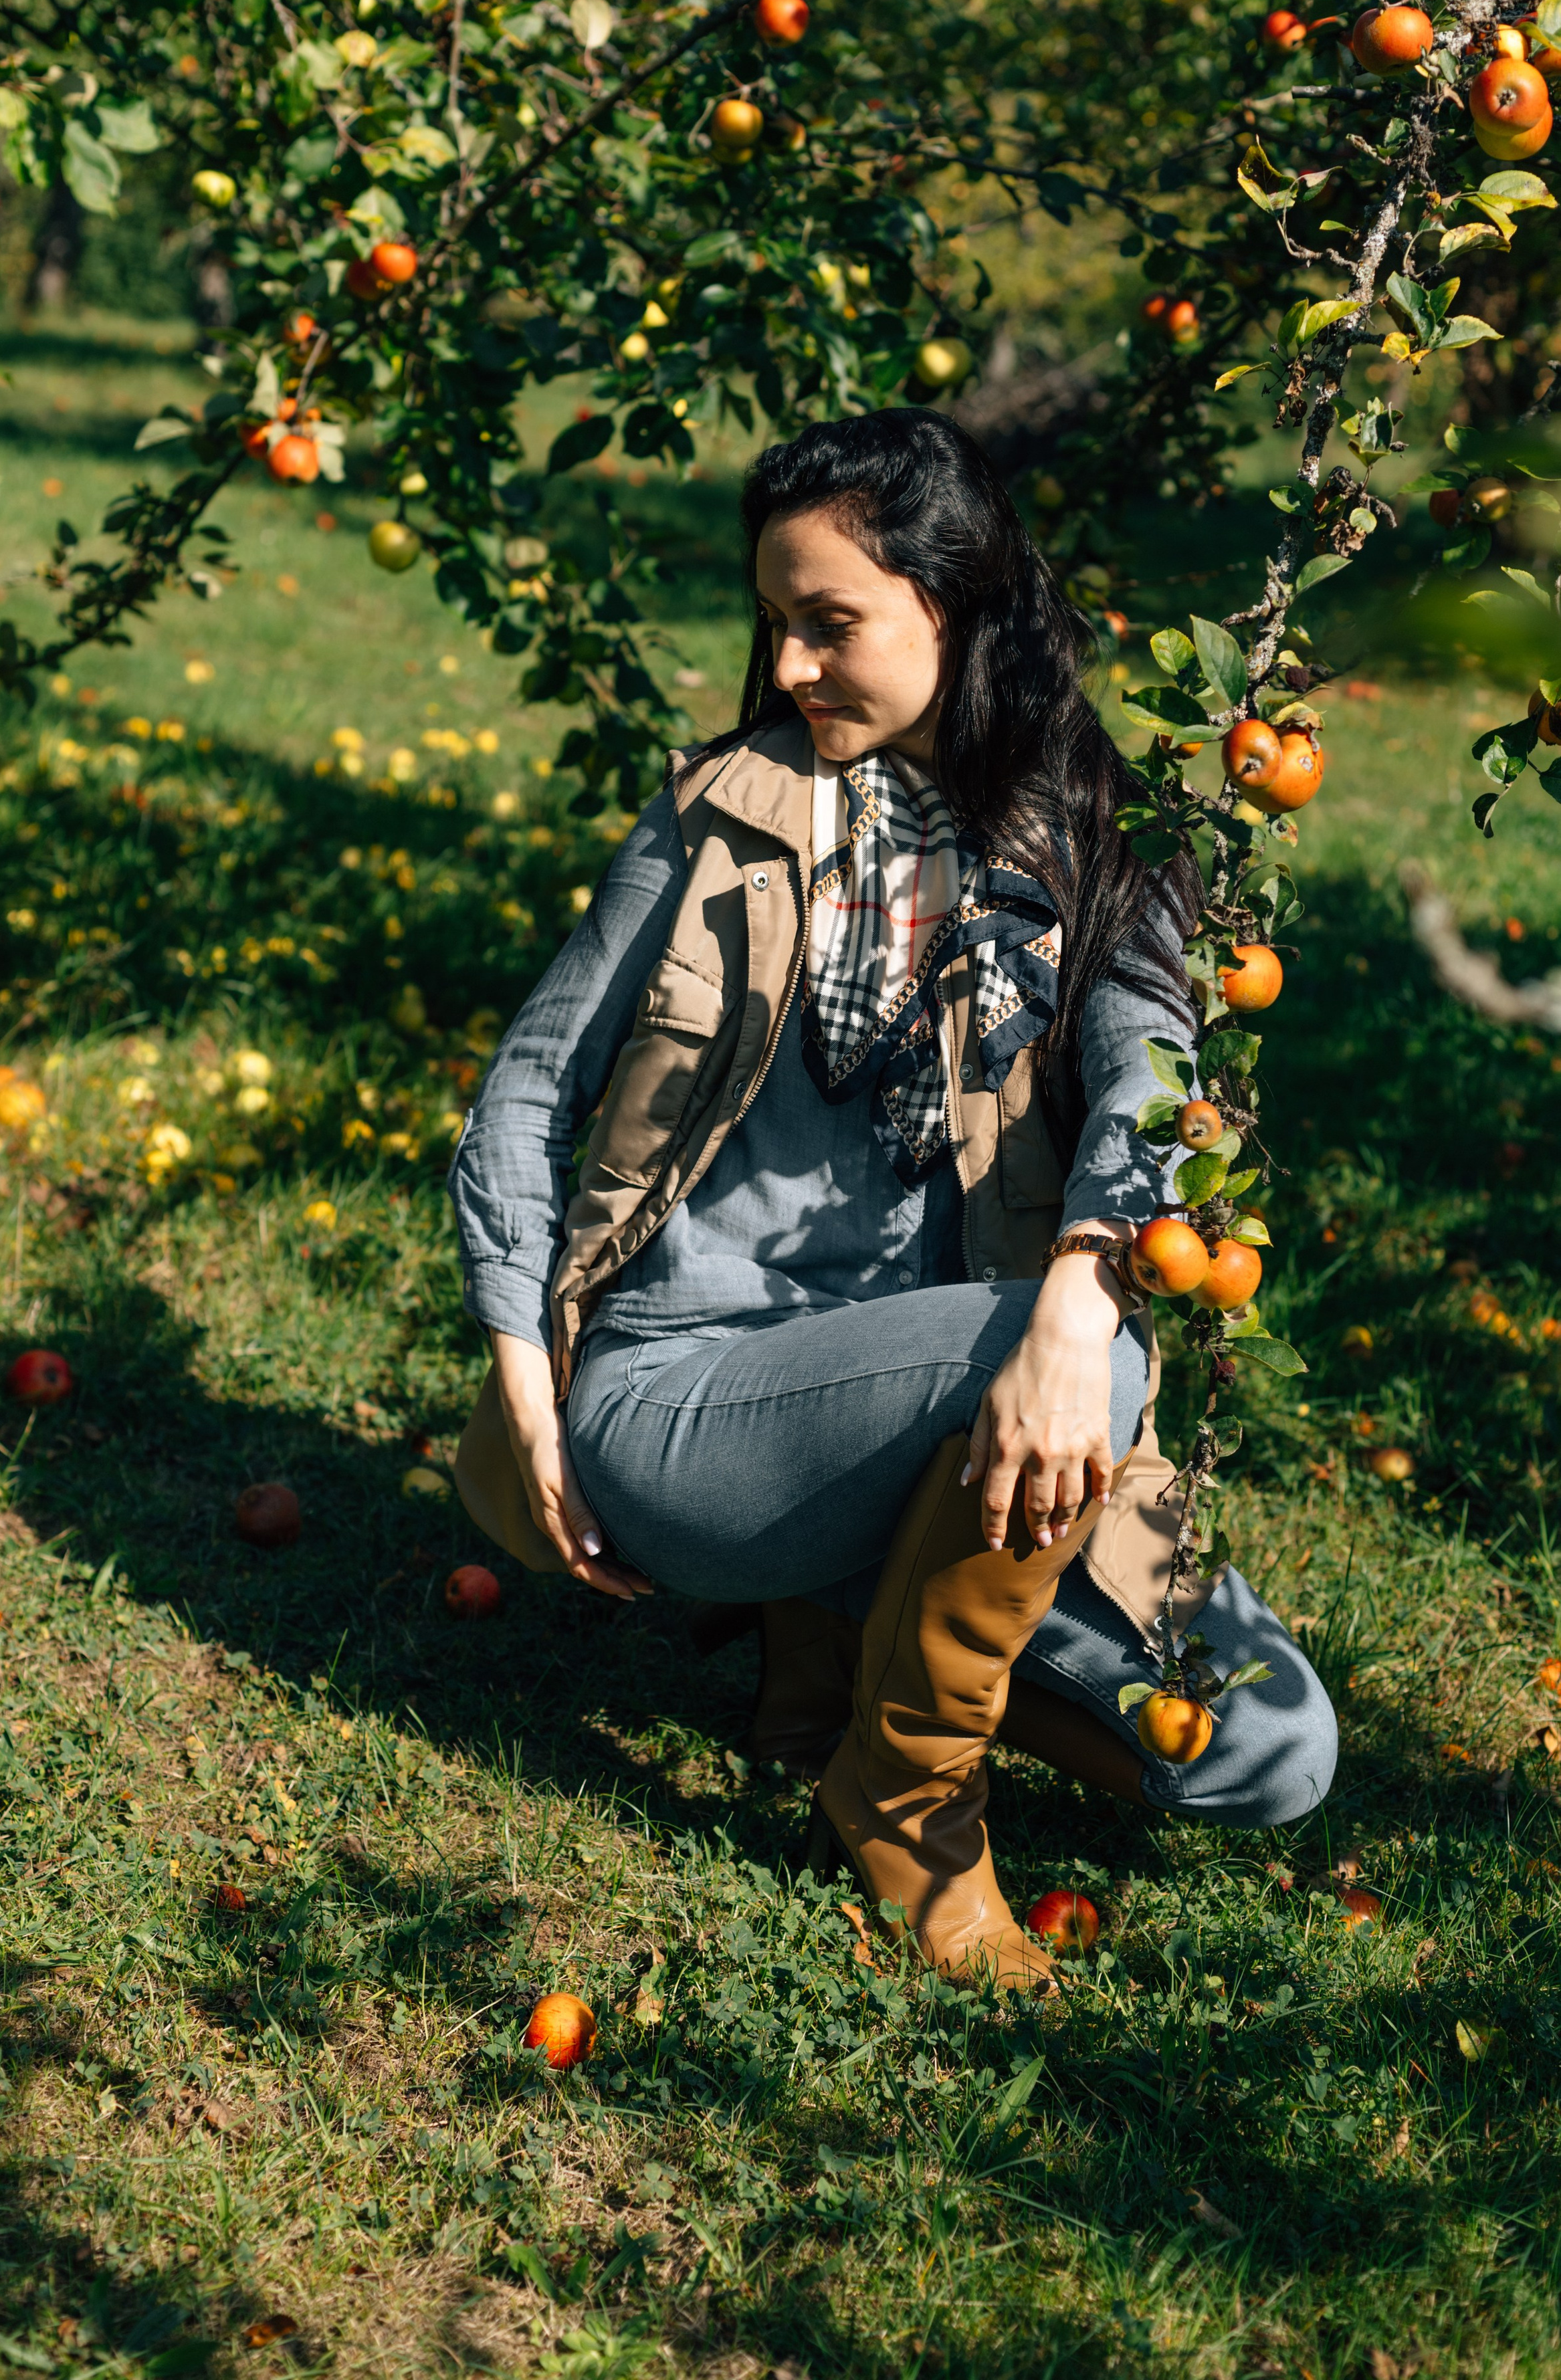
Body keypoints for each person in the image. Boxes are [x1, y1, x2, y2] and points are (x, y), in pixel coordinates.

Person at [449, 409, 1336, 1992]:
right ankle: (907, 1793)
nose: (787, 667)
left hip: (956, 1420)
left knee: (1267, 1752)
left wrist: (1078, 1292)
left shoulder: (1087, 839)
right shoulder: (721, 813)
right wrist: (528, 1384)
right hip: (683, 1400)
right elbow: (525, 1091)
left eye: (828, 623)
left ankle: (840, 1655)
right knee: (1085, 1356)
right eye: (773, 625)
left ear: (956, 603)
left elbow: (1155, 1090)